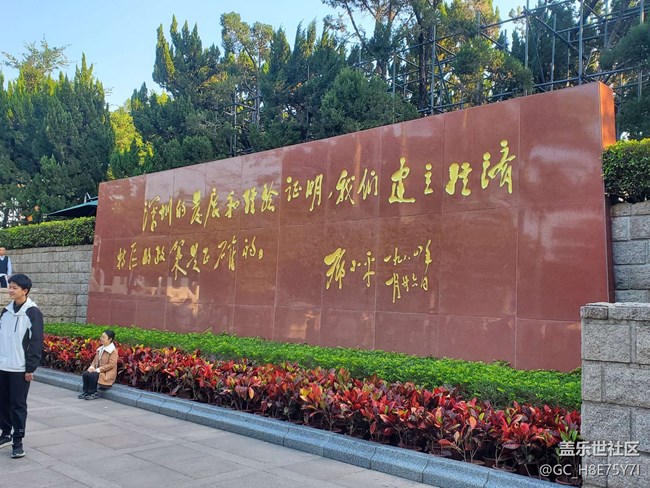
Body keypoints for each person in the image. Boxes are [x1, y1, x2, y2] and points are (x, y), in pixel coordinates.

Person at [0, 274, 44, 459]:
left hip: (19, 368)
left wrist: (30, 368)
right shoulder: (6, 311)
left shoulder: (32, 312)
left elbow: (36, 342)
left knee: (18, 405)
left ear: (25, 291)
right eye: (10, 287)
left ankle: (18, 441)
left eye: (14, 288)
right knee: (2, 403)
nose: (10, 290)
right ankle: (6, 434)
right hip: (3, 366)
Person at [78, 330, 117, 400]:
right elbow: (95, 360)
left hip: (106, 373)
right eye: (101, 337)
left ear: (110, 339)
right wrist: (92, 367)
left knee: (93, 375)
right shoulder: (100, 349)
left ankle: (93, 393)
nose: (101, 339)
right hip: (98, 370)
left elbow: (111, 365)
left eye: (104, 337)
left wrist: (98, 370)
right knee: (86, 374)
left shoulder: (113, 351)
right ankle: (86, 392)